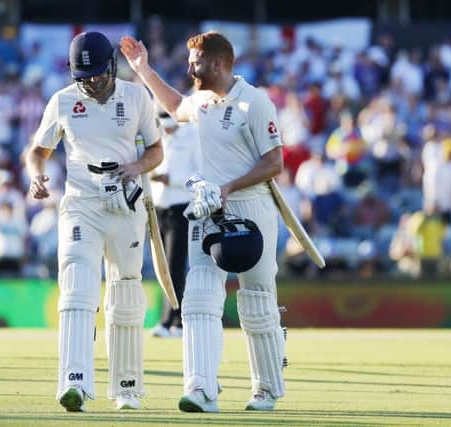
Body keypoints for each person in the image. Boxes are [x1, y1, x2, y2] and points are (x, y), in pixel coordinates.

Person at [121, 32, 286, 412]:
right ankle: (201, 389)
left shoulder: (254, 103)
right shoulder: (203, 102)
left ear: (216, 63)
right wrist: (143, 69)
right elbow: (177, 106)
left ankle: (266, 389)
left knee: (257, 303)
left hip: (252, 208)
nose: (189, 67)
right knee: (197, 298)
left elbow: (274, 162)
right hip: (208, 207)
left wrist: (230, 186)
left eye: (194, 61)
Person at [25, 31, 163, 412]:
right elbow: (37, 151)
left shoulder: (136, 97)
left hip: (124, 206)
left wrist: (134, 167)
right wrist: (36, 175)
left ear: (112, 67)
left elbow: (156, 150)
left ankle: (127, 388)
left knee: (126, 292)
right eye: (83, 77)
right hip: (81, 203)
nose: (91, 83)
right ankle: (74, 382)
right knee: (76, 288)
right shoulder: (63, 101)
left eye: (98, 75)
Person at [149, 111, 201, 338]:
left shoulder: (192, 137)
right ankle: (169, 319)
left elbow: (199, 175)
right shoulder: (159, 136)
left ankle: (176, 321)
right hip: (159, 207)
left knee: (175, 266)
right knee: (162, 266)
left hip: (181, 206)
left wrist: (173, 180)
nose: (167, 129)